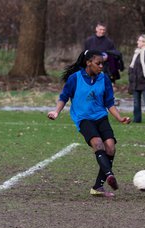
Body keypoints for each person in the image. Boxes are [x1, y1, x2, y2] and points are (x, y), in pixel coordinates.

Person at [47, 50, 131, 197]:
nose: (101, 67)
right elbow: (64, 97)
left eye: (102, 64)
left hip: (100, 117)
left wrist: (119, 118)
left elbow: (109, 102)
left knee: (110, 148)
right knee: (98, 144)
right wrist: (56, 112)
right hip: (83, 118)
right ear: (88, 63)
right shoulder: (75, 78)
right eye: (98, 64)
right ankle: (110, 175)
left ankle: (98, 188)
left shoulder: (104, 79)